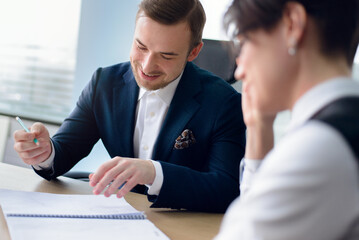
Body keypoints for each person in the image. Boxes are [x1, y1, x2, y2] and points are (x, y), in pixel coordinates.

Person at [13, 0, 246, 213]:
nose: (147, 66)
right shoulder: (104, 83)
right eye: (141, 47)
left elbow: (227, 189)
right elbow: (62, 152)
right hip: (119, 219)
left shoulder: (224, 103)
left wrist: (154, 173)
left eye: (166, 56)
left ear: (193, 52)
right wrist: (44, 153)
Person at [214, 0, 359, 239]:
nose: (239, 71)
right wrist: (259, 128)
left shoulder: (319, 148)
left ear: (292, 24)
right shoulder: (340, 129)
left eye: (244, 43)